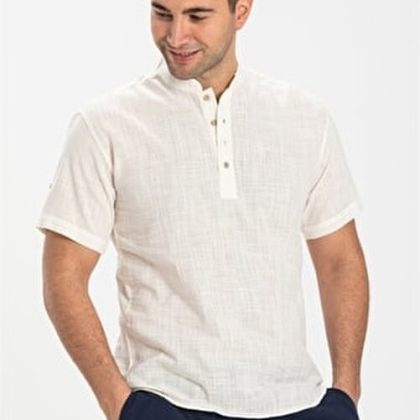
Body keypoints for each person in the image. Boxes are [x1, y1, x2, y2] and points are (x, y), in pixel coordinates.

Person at [36, 0, 370, 419]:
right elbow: (63, 276)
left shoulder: (304, 118)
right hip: (166, 400)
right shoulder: (104, 125)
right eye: (162, 14)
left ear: (241, 11)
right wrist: (121, 404)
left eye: (197, 16)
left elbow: (340, 261)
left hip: (297, 402)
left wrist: (345, 393)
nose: (176, 36)